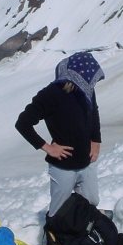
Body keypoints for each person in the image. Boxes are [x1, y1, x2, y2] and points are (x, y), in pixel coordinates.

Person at [15, 51, 105, 217]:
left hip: (87, 161)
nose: (92, 84)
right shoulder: (51, 94)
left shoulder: (87, 89)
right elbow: (23, 123)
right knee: (59, 211)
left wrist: (95, 140)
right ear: (75, 76)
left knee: (91, 203)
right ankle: (54, 238)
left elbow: (93, 113)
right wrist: (48, 148)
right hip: (62, 166)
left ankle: (86, 235)